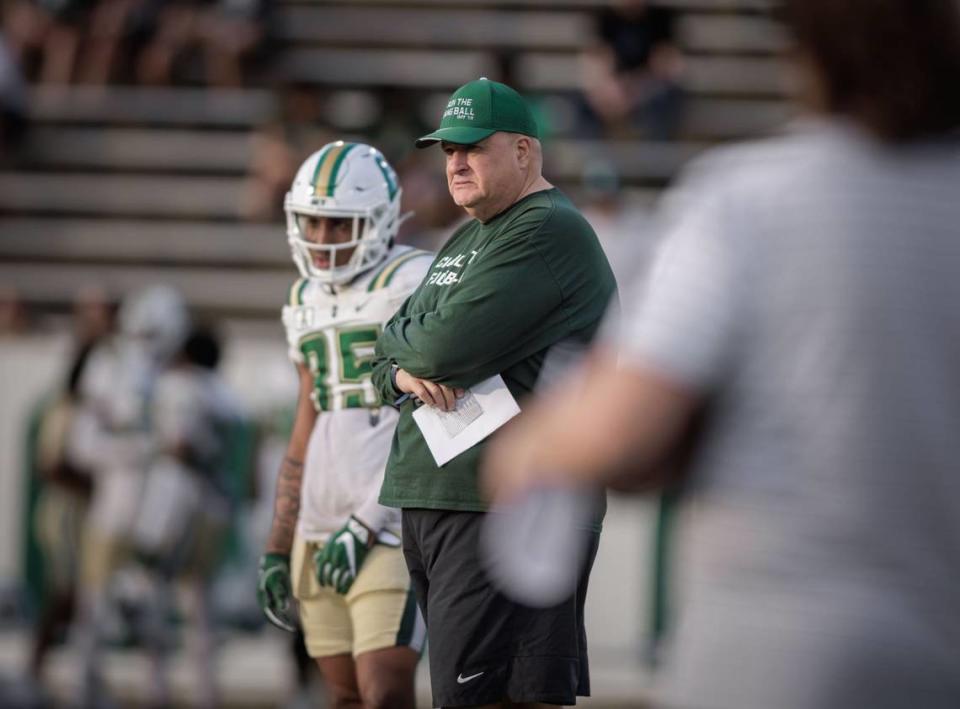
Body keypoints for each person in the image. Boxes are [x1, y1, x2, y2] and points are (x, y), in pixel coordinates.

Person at [483, 2, 960, 708]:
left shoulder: (749, 200)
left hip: (770, 648)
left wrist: (523, 447)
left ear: (807, 52)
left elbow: (619, 433)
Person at [370, 78, 617, 708]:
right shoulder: (472, 232)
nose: (455, 163)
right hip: (446, 501)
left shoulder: (546, 230)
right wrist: (399, 366)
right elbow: (386, 350)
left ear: (526, 153)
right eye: (448, 150)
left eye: (474, 148)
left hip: (501, 506)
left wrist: (405, 349)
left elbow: (435, 348)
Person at [258, 141, 433, 709]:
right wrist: (279, 542)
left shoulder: (415, 279)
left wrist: (369, 520)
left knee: (385, 690)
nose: (324, 240)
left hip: (388, 522)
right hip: (317, 522)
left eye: (340, 225)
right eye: (313, 223)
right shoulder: (302, 298)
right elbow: (307, 419)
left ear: (379, 221)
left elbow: (435, 415)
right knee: (343, 697)